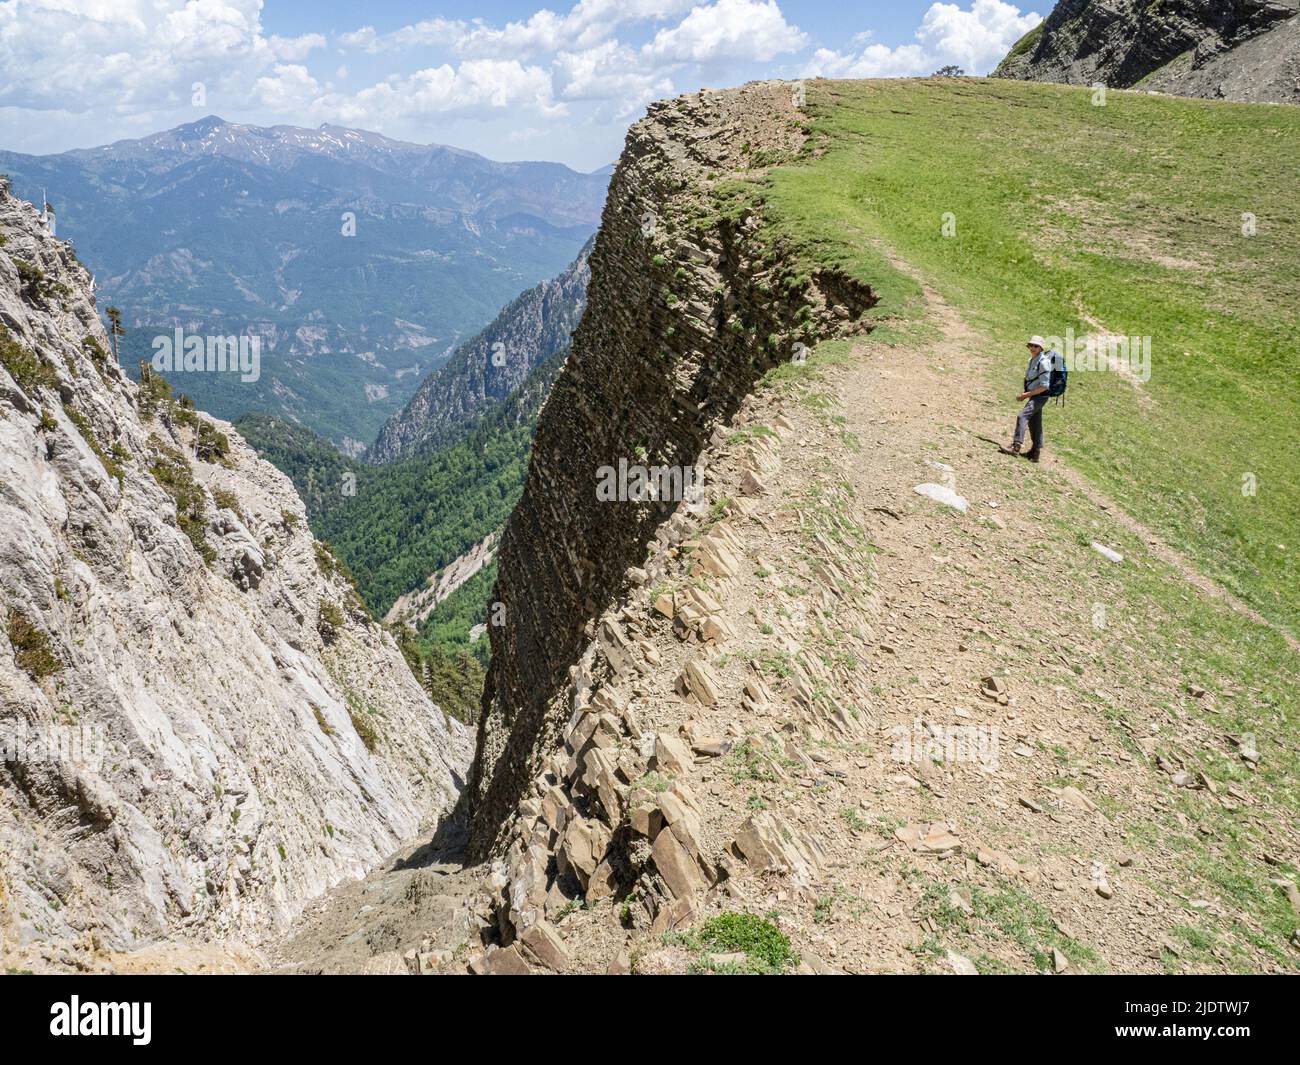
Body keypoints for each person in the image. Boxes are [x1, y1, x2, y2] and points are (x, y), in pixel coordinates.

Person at [1001, 335, 1057, 463]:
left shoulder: (1043, 363)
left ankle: (1016, 447)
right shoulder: (1033, 359)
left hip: (1040, 396)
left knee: (1022, 416)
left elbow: (1044, 386)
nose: (1032, 348)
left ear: (1041, 348)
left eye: (1036, 346)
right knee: (1035, 422)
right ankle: (1035, 453)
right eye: (1031, 345)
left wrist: (1025, 395)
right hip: (1034, 395)